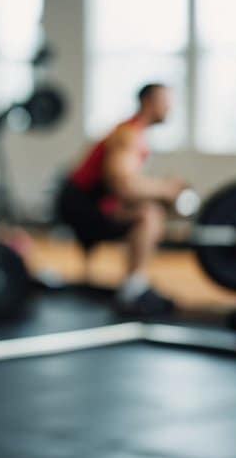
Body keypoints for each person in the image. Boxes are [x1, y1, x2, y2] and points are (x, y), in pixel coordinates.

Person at [56, 83, 189, 316]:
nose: (170, 108)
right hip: (79, 205)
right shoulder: (127, 134)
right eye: (165, 102)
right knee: (148, 215)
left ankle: (134, 285)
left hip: (92, 202)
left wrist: (162, 191)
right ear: (148, 102)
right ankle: (133, 289)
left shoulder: (136, 134)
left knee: (149, 210)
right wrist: (165, 189)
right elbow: (124, 185)